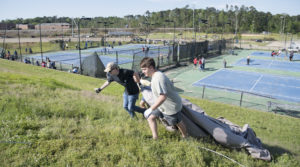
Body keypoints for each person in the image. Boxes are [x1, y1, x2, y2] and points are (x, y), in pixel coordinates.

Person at [140, 57, 187, 140]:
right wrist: (149, 84)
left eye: (144, 69)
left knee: (177, 123)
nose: (143, 72)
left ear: (151, 67)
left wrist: (151, 109)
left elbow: (163, 96)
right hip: (161, 105)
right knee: (151, 118)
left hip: (171, 106)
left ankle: (185, 137)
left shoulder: (158, 78)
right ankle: (155, 138)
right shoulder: (155, 75)